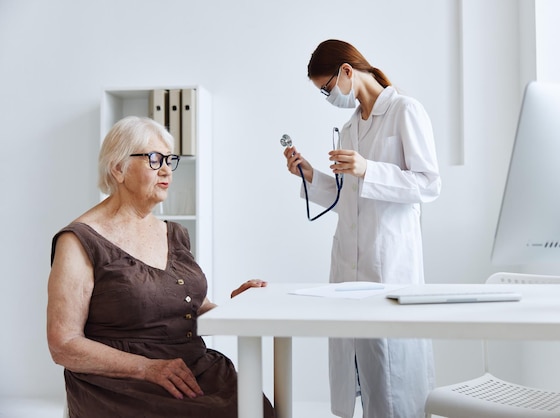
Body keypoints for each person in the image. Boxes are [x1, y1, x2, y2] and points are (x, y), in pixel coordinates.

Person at [47, 116, 275, 418]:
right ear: (118, 168)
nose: (167, 170)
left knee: (256, 408)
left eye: (169, 159)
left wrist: (237, 308)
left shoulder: (174, 233)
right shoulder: (79, 241)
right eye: (154, 159)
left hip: (192, 367)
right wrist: (147, 369)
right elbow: (63, 344)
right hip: (122, 383)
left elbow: (188, 304)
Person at [282, 39, 441, 418]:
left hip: (389, 265)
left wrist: (369, 168)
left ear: (347, 72)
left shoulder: (405, 110)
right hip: (349, 266)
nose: (327, 96)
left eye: (326, 88)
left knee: (393, 377)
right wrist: (308, 175)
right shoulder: (351, 127)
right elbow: (346, 199)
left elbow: (429, 184)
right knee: (361, 371)